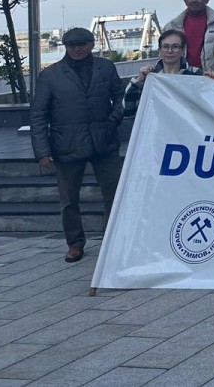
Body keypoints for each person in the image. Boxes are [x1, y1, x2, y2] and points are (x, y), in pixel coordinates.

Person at [29, 27, 124, 263]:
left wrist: (112, 120)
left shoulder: (106, 67)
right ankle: (75, 244)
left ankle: (112, 240)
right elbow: (39, 115)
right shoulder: (50, 75)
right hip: (66, 145)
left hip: (104, 142)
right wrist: (42, 151)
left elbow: (121, 96)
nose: (78, 48)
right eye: (72, 45)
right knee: (69, 199)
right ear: (66, 47)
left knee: (114, 194)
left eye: (83, 44)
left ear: (92, 45)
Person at [123, 28, 203, 117]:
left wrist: (210, 80)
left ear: (183, 50)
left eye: (175, 47)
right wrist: (138, 81)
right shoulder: (149, 75)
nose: (170, 51)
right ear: (160, 50)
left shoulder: (195, 74)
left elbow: (204, 108)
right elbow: (127, 110)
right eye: (165, 47)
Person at [165, 0, 214, 71]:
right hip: (182, 76)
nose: (194, 0)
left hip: (212, 75)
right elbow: (163, 55)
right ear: (185, 1)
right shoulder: (172, 26)